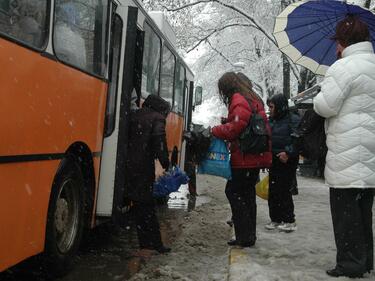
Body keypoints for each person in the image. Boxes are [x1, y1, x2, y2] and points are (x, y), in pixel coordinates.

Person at [313, 15, 375, 278]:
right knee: (363, 214)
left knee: (345, 216)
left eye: (337, 41)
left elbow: (326, 106)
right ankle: (365, 260)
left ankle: (350, 264)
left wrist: (319, 93)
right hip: (370, 153)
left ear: (343, 41)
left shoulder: (342, 67)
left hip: (346, 153)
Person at [211, 72, 272, 247]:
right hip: (255, 154)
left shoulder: (238, 99)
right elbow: (245, 122)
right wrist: (229, 121)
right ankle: (248, 236)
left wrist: (215, 130)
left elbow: (234, 129)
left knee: (234, 192)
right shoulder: (252, 97)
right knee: (247, 195)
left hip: (245, 155)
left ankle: (244, 235)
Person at [126, 94, 171, 254]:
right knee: (148, 207)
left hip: (128, 164)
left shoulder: (134, 115)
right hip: (143, 167)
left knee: (140, 205)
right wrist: (166, 162)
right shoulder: (157, 118)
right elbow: (159, 141)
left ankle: (146, 243)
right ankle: (155, 244)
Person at [265, 94, 300, 232]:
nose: (270, 109)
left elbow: (298, 140)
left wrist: (288, 153)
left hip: (287, 161)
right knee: (273, 191)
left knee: (283, 190)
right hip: (274, 159)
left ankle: (289, 220)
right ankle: (275, 219)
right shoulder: (271, 121)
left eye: (272, 106)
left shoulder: (293, 120)